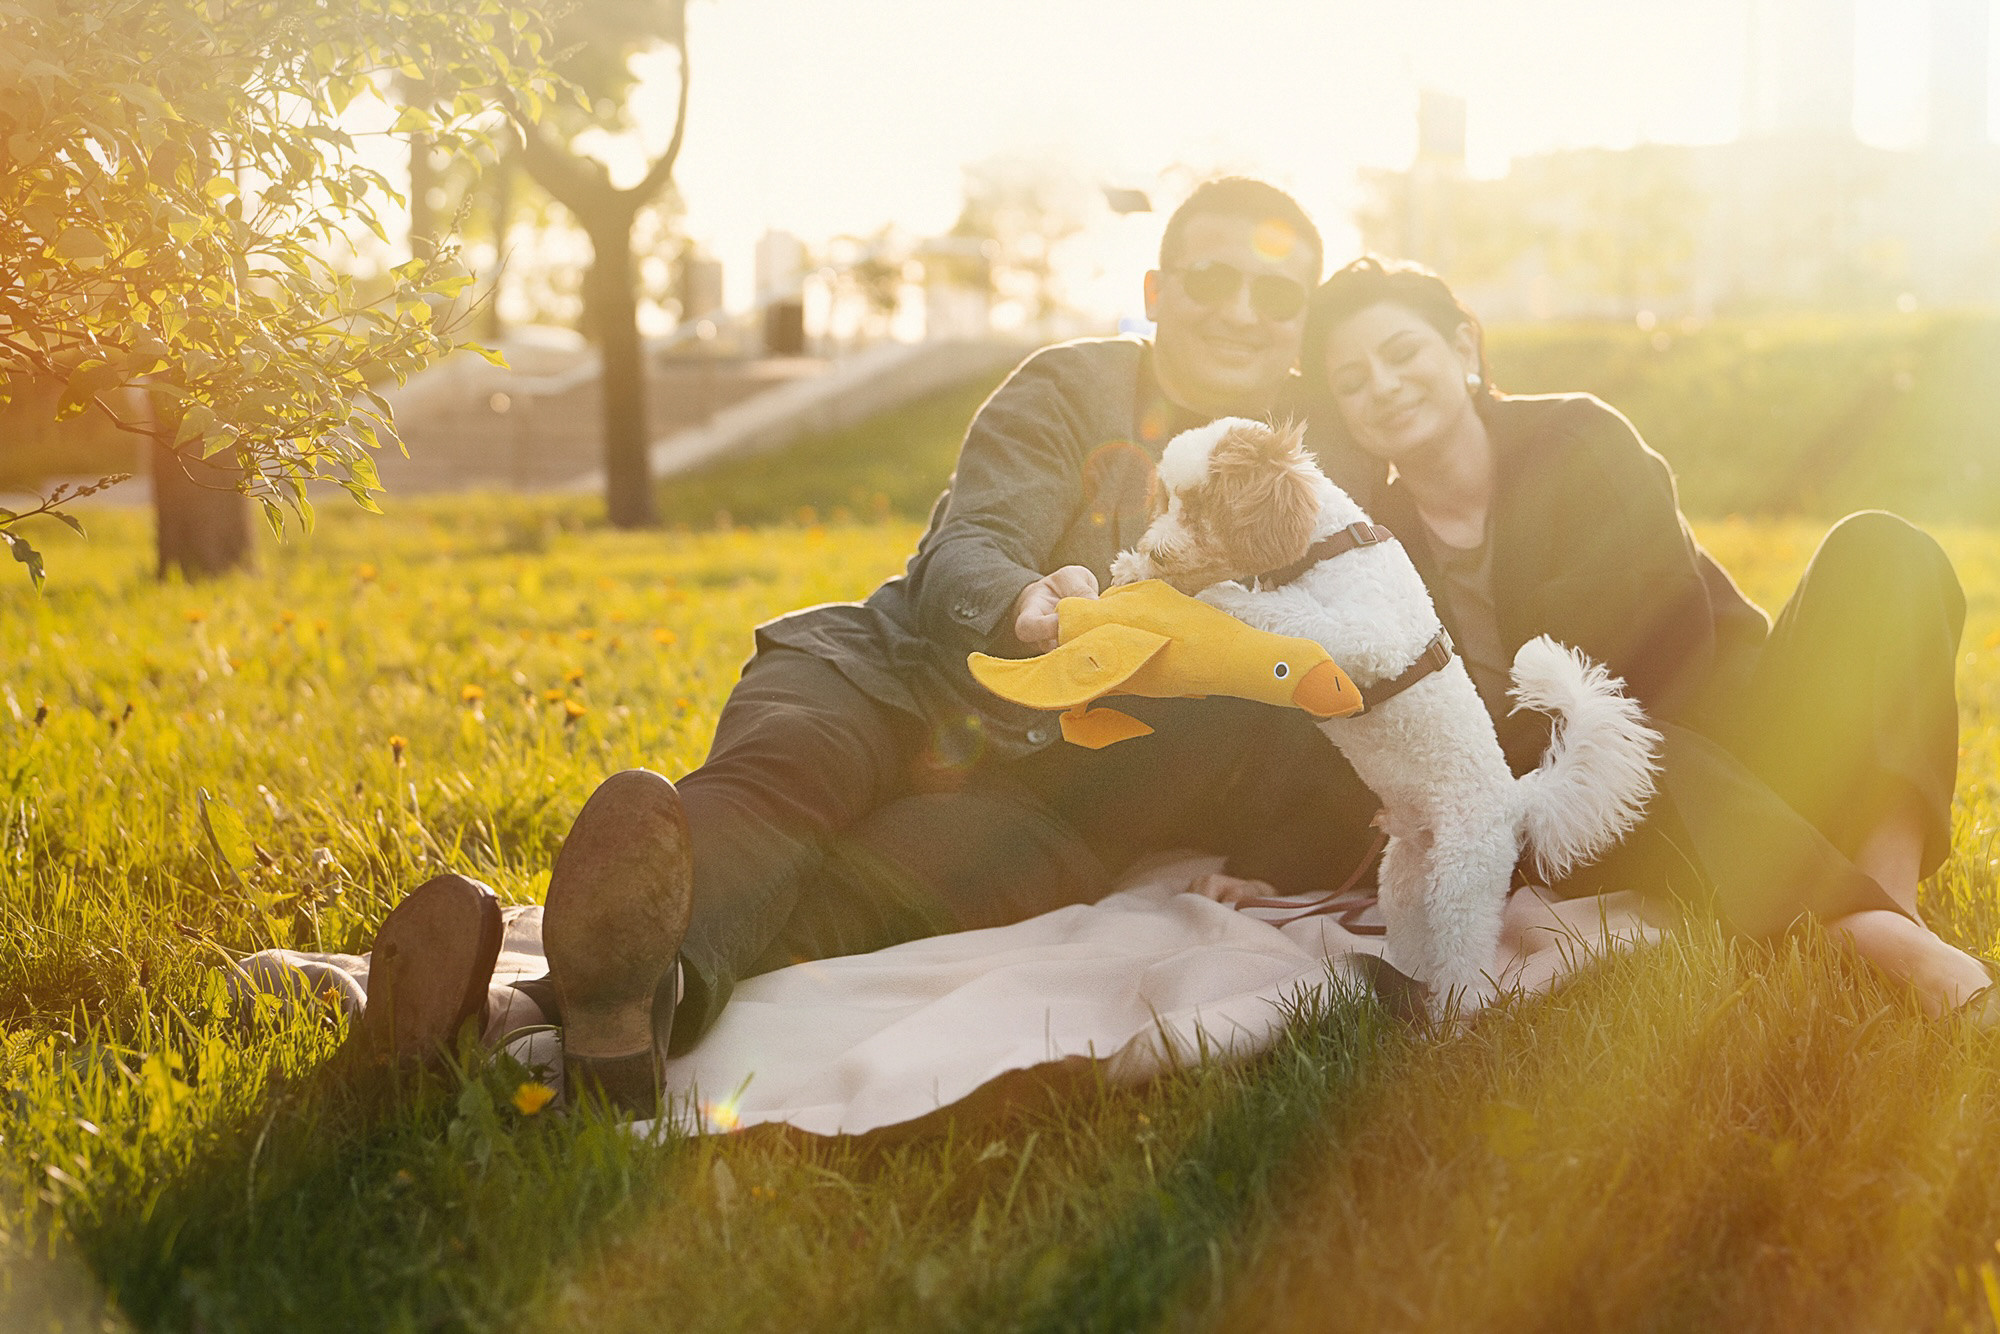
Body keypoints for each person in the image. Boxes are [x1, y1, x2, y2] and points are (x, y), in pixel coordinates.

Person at [347, 178, 1377, 1112]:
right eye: (1212, 278)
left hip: (1044, 800)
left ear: (1300, 323)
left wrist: (1280, 857)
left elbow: (1349, 667)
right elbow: (968, 545)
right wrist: (1027, 603)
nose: (1240, 309)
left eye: (1273, 293)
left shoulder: (1318, 482)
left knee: (852, 901)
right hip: (881, 672)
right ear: (1156, 290)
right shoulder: (1068, 389)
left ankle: (532, 1017)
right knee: (773, 793)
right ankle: (609, 1002)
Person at [1277, 255, 1991, 1018]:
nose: (1382, 386)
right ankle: (1883, 942)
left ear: (1461, 348)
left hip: (1740, 739)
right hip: (1600, 816)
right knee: (1615, 751)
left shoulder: (1578, 439)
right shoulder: (1376, 549)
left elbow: (1661, 655)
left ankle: (1887, 901)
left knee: (1882, 551)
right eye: (1351, 382)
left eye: (1401, 353)